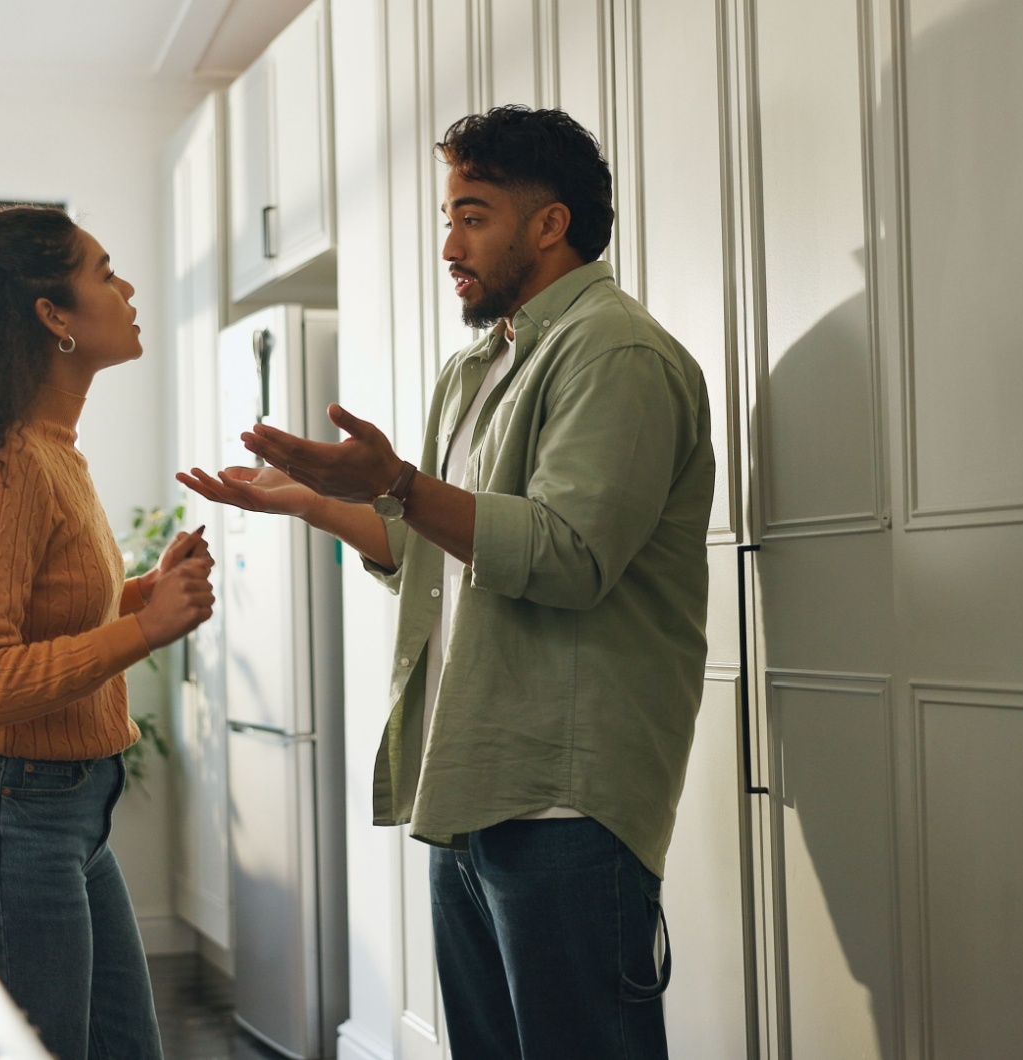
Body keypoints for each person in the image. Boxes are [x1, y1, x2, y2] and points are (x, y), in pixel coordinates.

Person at [180, 106, 713, 1059]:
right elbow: (434, 555)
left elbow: (567, 557)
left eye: (472, 215)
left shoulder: (616, 353)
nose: (448, 245)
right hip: (473, 780)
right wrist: (310, 502)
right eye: (447, 216)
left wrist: (394, 482)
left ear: (550, 224)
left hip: (568, 799)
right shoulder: (480, 366)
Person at [0, 204, 213, 1060]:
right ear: (53, 317)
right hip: (6, 817)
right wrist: (144, 633)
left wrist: (142, 598)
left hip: (62, 817)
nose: (127, 288)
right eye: (104, 272)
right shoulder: (6, 462)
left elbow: (51, 617)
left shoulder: (51, 448)